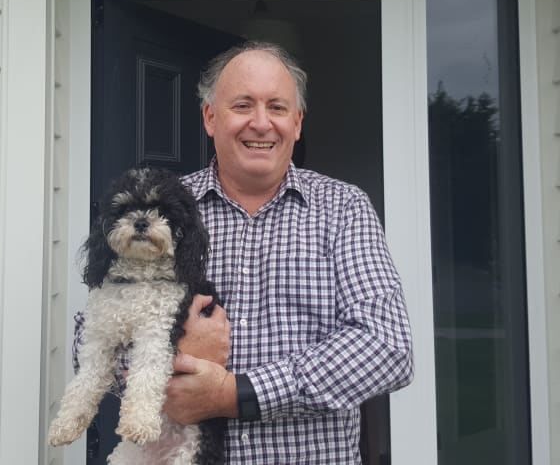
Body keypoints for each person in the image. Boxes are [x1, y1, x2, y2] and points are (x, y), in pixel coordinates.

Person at [161, 41, 414, 463]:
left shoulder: (343, 208)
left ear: (297, 123)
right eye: (242, 105)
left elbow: (387, 347)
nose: (261, 123)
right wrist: (168, 360)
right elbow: (90, 337)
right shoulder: (165, 208)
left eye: (277, 108)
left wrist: (235, 394)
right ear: (210, 118)